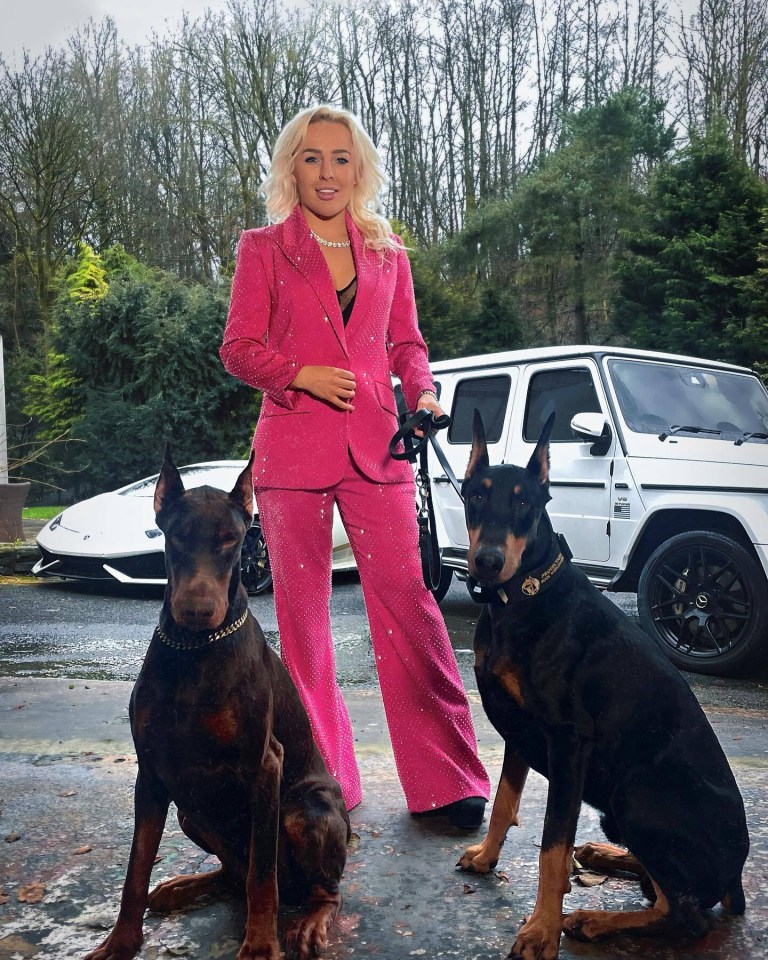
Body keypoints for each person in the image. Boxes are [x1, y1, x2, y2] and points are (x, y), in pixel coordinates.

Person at [220, 105, 489, 828]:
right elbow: (239, 347)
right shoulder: (264, 248)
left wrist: (424, 393)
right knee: (304, 630)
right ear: (292, 168)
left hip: (380, 449)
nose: (328, 172)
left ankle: (448, 779)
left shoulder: (387, 250)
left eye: (341, 158)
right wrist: (300, 373)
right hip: (292, 453)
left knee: (411, 606)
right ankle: (321, 783)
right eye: (312, 158)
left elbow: (407, 344)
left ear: (359, 167)